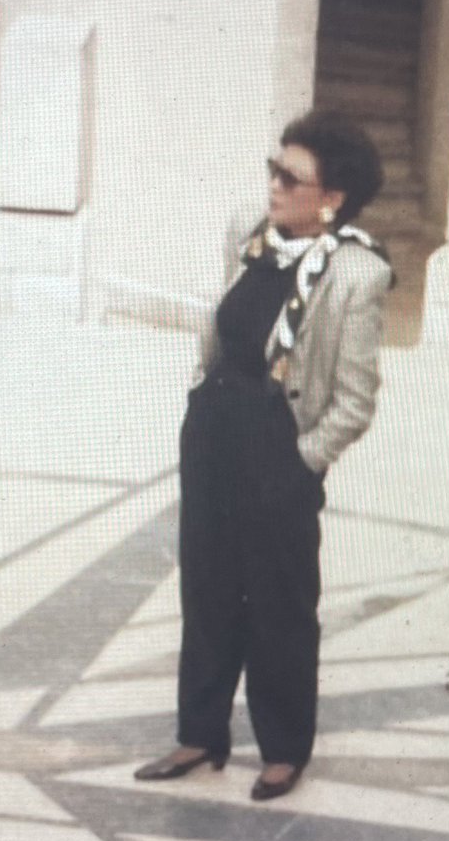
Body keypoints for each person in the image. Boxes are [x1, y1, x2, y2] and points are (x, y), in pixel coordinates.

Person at [135, 110, 392, 801]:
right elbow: (226, 325)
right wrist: (201, 395)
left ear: (331, 197)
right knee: (208, 583)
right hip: (215, 430)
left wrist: (303, 459)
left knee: (280, 598)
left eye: (291, 177)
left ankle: (283, 747)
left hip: (280, 446)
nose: (274, 185)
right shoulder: (252, 233)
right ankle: (199, 732)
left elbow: (355, 398)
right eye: (273, 169)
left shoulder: (355, 274)